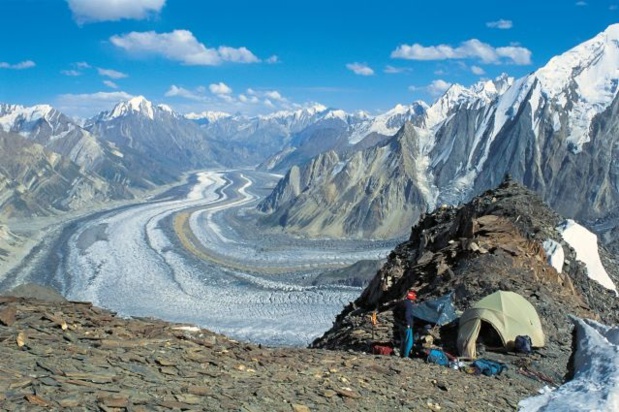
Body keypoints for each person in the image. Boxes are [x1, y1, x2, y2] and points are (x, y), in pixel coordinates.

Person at [395, 290, 416, 358]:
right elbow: (407, 315)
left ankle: (401, 353)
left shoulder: (402, 303)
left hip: (400, 324)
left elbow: (395, 311)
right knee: (409, 341)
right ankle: (406, 355)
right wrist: (408, 323)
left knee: (403, 340)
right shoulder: (409, 305)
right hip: (407, 325)